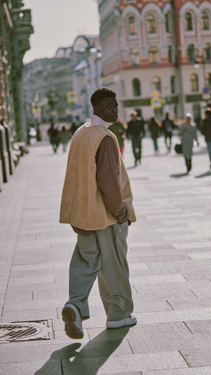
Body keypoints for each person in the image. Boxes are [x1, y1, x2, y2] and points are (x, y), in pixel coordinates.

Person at [59, 87, 137, 339]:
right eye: (108, 105)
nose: (114, 109)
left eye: (115, 104)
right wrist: (120, 210)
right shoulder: (104, 137)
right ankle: (118, 314)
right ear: (96, 108)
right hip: (104, 214)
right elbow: (107, 177)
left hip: (82, 214)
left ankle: (74, 304)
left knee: (85, 262)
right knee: (114, 264)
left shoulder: (81, 133)